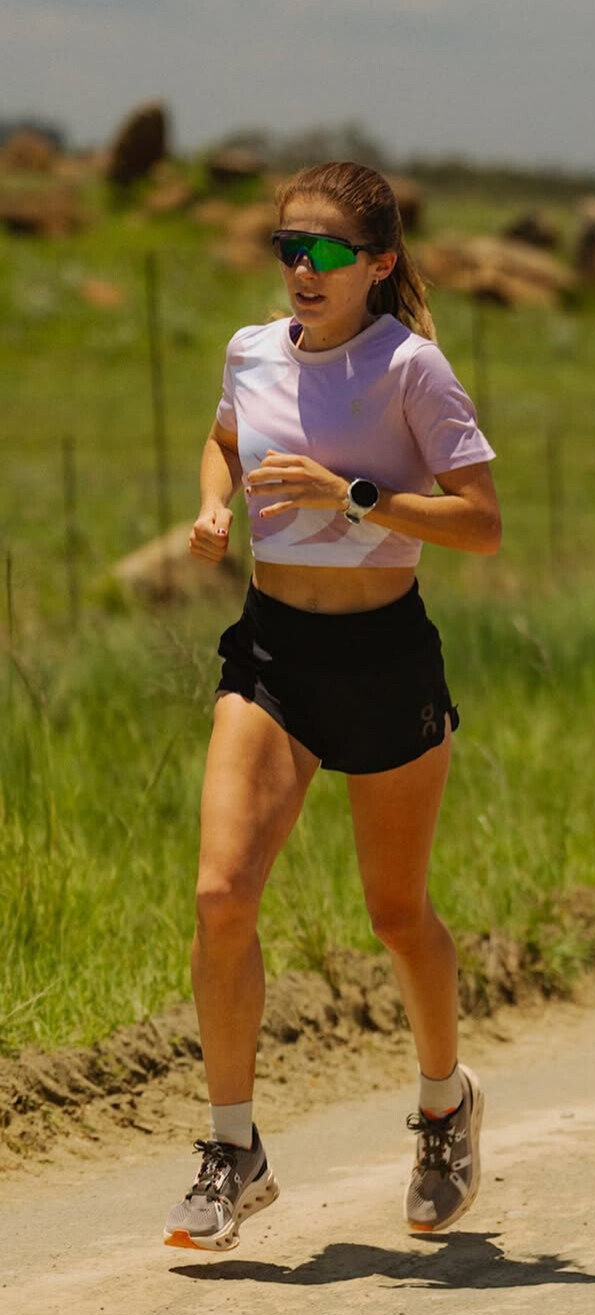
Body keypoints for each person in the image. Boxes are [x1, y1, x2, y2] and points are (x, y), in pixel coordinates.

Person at [165, 161, 501, 1252]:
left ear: (379, 262)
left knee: (396, 915)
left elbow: (481, 522)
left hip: (383, 656)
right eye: (287, 249)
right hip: (273, 650)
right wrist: (215, 507)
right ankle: (232, 1146)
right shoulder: (251, 350)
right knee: (221, 893)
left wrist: (353, 497)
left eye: (323, 252)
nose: (301, 270)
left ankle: (445, 1106)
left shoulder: (410, 367)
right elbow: (226, 439)